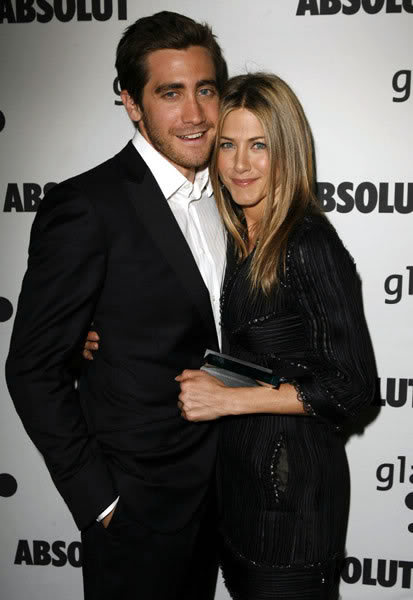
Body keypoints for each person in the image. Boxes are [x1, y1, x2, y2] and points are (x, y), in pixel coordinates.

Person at [6, 11, 228, 600]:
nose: (195, 114)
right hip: (137, 510)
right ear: (132, 103)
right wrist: (99, 501)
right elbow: (31, 367)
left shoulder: (231, 195)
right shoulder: (88, 205)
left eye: (206, 90)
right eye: (170, 93)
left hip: (223, 497)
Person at [174, 73, 377, 599]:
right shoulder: (229, 234)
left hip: (293, 500)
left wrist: (227, 401)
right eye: (227, 145)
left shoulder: (308, 243)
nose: (240, 164)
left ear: (287, 149)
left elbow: (353, 387)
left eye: (259, 145)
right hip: (237, 491)